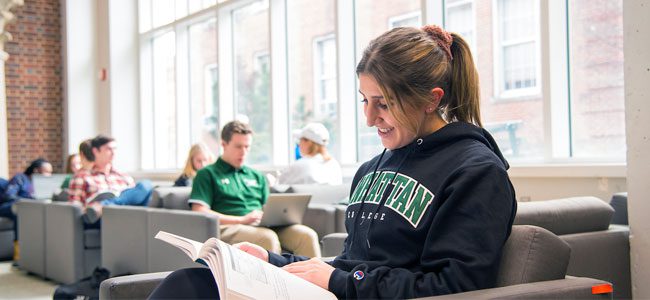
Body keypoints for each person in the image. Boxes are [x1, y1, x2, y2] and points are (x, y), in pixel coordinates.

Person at [149, 24, 517, 299]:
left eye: (384, 103)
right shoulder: (374, 168)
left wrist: (338, 281)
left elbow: (455, 287)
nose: (369, 119)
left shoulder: (476, 172)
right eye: (364, 100)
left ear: (431, 99)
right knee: (192, 282)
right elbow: (351, 265)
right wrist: (269, 261)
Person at [188, 120, 321, 257]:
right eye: (238, 147)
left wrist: (277, 217)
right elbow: (199, 210)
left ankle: (313, 279)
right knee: (267, 237)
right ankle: (275, 279)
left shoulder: (257, 176)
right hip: (228, 227)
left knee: (307, 236)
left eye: (247, 147)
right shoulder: (207, 174)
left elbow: (267, 207)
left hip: (260, 225)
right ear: (224, 144)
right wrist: (241, 220)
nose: (243, 152)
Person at [68, 135, 153, 224]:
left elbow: (134, 197)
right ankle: (105, 207)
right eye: (109, 149)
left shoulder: (124, 176)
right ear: (95, 151)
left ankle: (104, 205)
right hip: (102, 219)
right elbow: (74, 208)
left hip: (127, 214)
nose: (113, 153)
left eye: (114, 149)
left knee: (146, 185)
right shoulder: (82, 176)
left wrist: (113, 203)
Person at [0, 158, 53, 261]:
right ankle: (18, 255)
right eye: (47, 172)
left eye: (51, 173)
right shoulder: (20, 178)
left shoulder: (42, 185)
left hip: (30, 208)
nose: (49, 175)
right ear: (36, 170)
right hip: (8, 206)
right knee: (20, 209)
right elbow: (8, 195)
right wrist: (27, 202)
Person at [273, 122, 343, 185]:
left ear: (308, 142)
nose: (299, 144)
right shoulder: (334, 165)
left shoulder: (299, 166)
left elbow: (279, 186)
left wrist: (272, 182)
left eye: (300, 140)